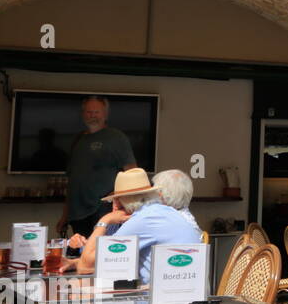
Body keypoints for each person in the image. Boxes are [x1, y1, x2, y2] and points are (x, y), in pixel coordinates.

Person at [62, 168, 201, 282]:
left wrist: (104, 221)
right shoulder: (162, 212)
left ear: (121, 200)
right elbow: (113, 262)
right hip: (184, 298)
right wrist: (74, 263)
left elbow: (86, 266)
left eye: (115, 200)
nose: (114, 204)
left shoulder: (142, 219)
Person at [58, 96, 136, 238]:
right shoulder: (78, 140)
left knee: (101, 253)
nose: (92, 116)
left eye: (96, 112)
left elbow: (132, 173)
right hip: (77, 212)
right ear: (83, 114)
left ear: (105, 114)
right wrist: (64, 215)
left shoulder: (116, 137)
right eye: (89, 112)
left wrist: (116, 197)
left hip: (103, 209)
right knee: (82, 253)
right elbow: (72, 180)